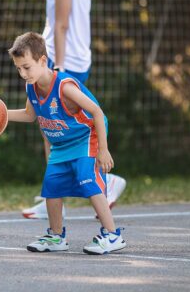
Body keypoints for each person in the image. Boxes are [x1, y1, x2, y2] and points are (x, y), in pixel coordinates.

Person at [22, 0, 126, 220]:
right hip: (77, 60)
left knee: (54, 128)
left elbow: (61, 26)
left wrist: (59, 68)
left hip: (62, 60)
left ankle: (98, 185)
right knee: (55, 129)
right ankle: (57, 194)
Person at [7, 32, 126, 254]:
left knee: (86, 178)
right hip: (62, 144)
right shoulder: (31, 86)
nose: (22, 73)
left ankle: (112, 234)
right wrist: (0, 114)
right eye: (18, 68)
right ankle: (55, 237)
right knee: (51, 186)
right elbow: (29, 115)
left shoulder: (64, 87)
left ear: (43, 61)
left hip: (85, 137)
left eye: (26, 67)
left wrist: (103, 149)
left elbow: (97, 112)